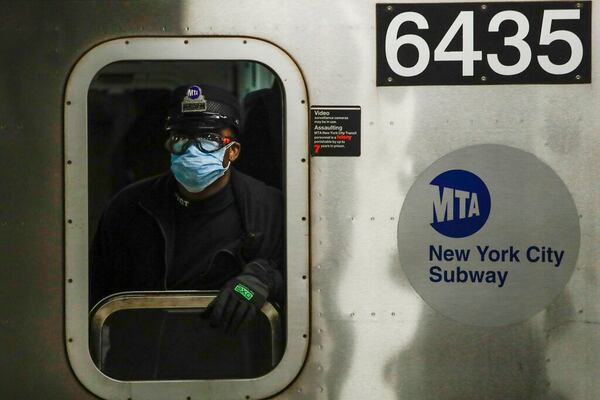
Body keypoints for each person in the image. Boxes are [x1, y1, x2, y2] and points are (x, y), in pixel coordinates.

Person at [89, 84, 285, 371]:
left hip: (233, 377)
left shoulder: (269, 209)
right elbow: (93, 290)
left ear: (233, 151)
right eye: (181, 138)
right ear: (169, 145)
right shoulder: (129, 208)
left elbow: (303, 279)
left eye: (208, 138)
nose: (192, 150)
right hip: (139, 375)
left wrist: (256, 284)